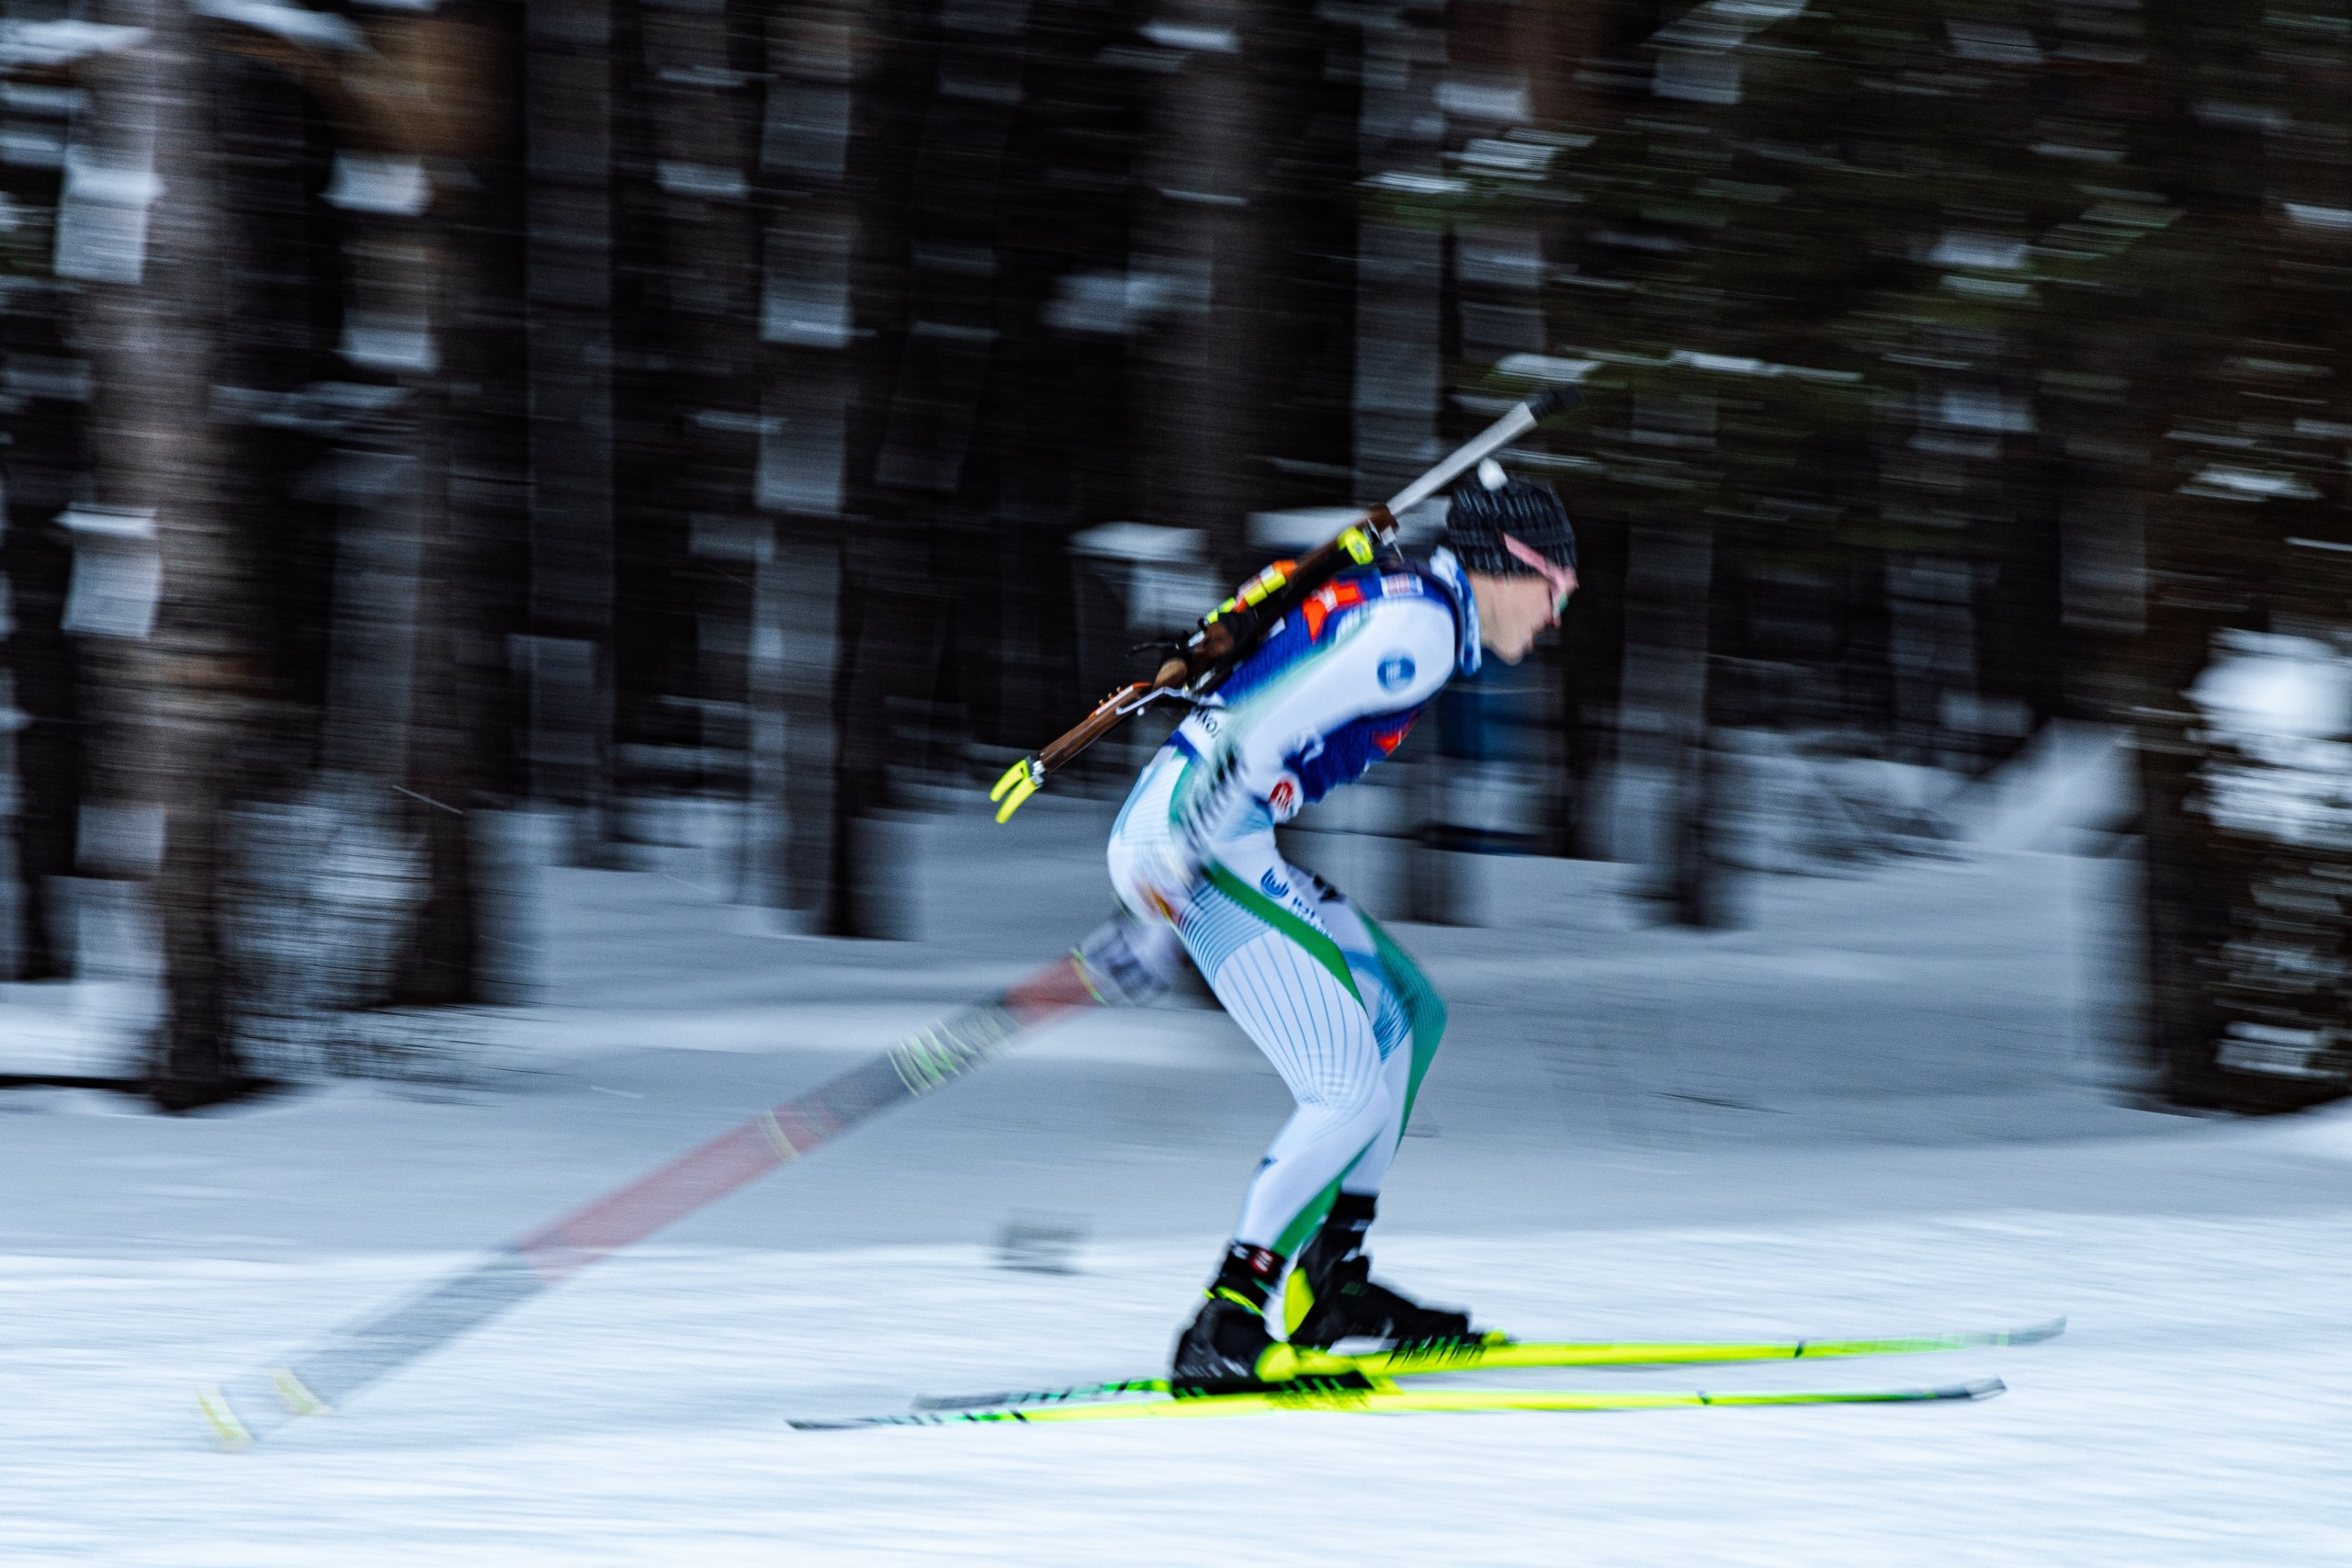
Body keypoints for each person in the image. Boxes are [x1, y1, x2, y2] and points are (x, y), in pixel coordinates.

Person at [1105, 467, 1580, 1382]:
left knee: (1406, 1010)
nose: (1554, 613)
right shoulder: (1421, 632)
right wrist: (1164, 893)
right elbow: (1247, 736)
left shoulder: (1417, 606)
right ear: (1508, 569)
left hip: (1225, 834)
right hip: (1196, 838)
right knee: (1345, 1087)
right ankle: (1226, 1326)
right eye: (1555, 588)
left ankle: (1332, 1279)